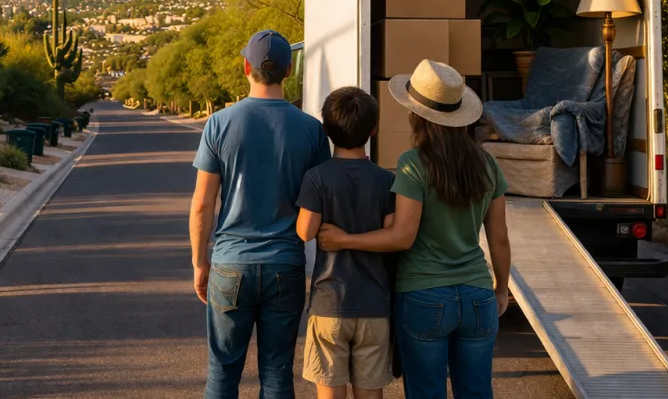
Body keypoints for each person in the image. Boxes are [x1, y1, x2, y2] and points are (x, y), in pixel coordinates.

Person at [317, 60, 512, 399]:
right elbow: (499, 238)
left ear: (416, 114)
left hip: (424, 295)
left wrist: (343, 239)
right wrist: (501, 288)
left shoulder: (414, 163)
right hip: (478, 294)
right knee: (477, 391)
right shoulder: (487, 163)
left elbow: (401, 236)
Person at [190, 30, 331, 399]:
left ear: (245, 67)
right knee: (277, 371)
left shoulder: (219, 123)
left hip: (230, 264)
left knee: (222, 372)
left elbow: (203, 203)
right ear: (288, 71)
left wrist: (199, 262)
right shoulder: (313, 131)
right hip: (285, 265)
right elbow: (320, 203)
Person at [295, 87, 395, 399]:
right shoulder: (386, 180)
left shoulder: (317, 177)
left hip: (330, 304)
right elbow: (392, 238)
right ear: (374, 129)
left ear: (325, 130)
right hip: (375, 306)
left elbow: (305, 232)